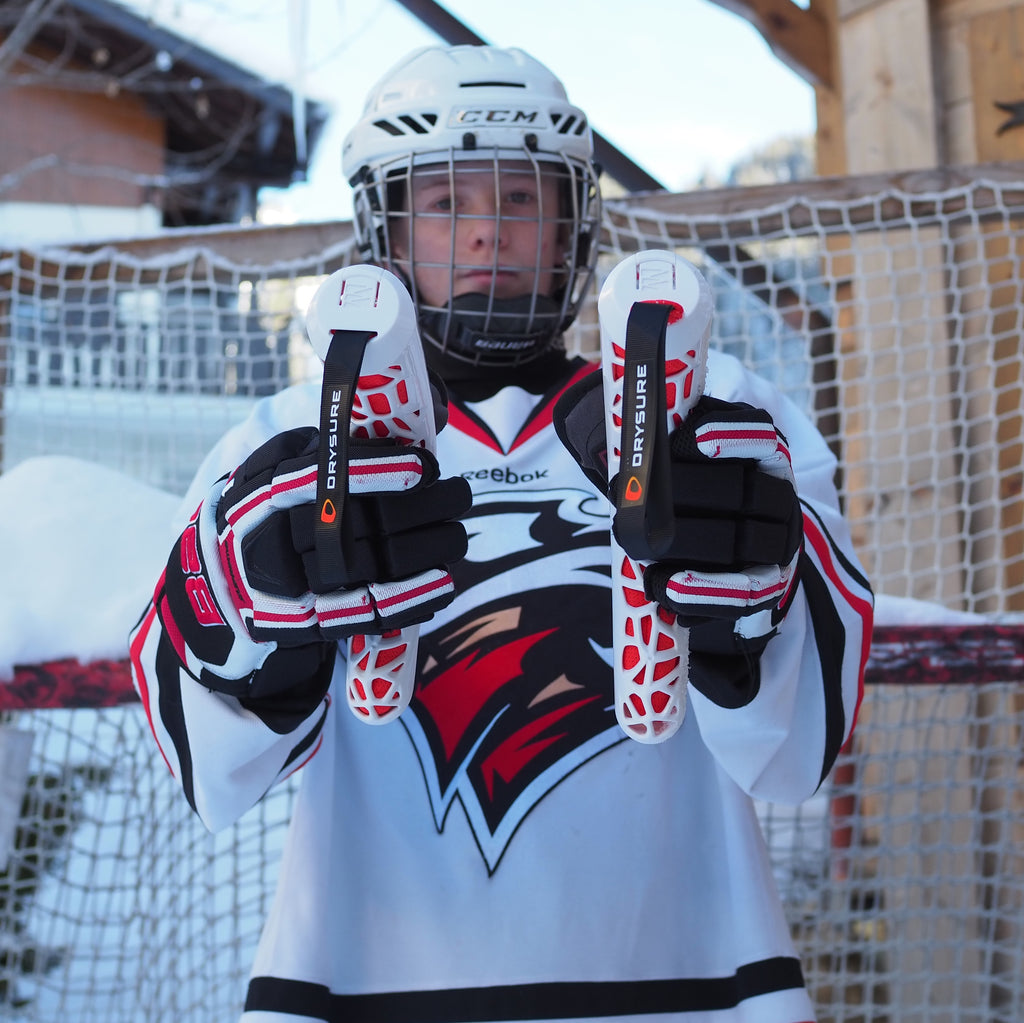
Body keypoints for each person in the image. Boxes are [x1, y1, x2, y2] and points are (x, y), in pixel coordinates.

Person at [130, 43, 873, 1023]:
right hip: (363, 988)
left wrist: (752, 618)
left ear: (573, 222)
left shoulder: (716, 415)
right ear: (383, 230)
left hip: (693, 987)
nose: (485, 234)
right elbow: (206, 767)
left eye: (519, 200)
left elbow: (801, 746)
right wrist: (246, 613)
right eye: (444, 204)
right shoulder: (283, 446)